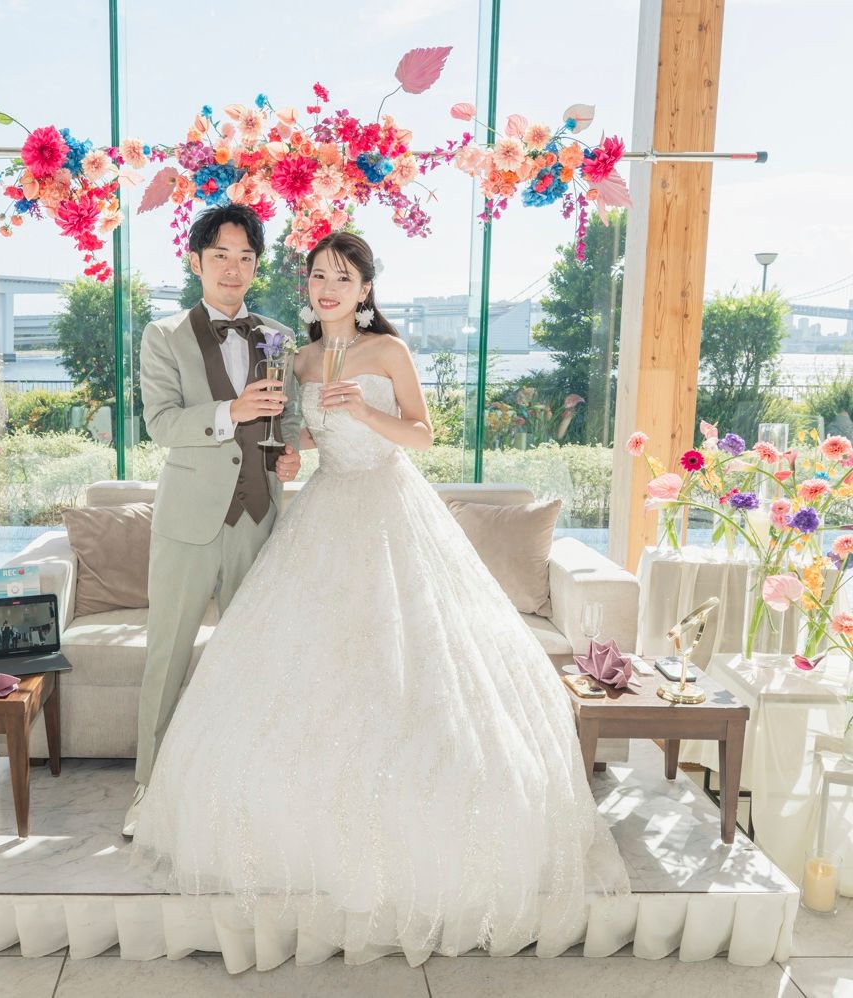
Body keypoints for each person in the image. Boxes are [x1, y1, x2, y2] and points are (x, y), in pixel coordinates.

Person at [133, 232, 629, 961]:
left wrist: (366, 415)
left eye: (343, 277)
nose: (328, 287)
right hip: (322, 510)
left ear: (366, 289)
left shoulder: (388, 351)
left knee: (409, 659)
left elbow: (423, 436)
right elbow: (298, 435)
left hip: (392, 509)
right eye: (317, 276)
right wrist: (295, 451)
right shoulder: (297, 357)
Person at [124, 204, 304, 837]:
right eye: (221, 256)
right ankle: (148, 789)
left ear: (257, 266)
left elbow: (290, 419)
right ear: (196, 262)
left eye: (245, 258)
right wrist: (231, 411)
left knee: (255, 659)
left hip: (259, 518)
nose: (234, 269)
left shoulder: (280, 335)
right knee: (167, 657)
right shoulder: (163, 335)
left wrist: (289, 454)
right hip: (188, 523)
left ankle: (245, 789)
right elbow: (160, 423)